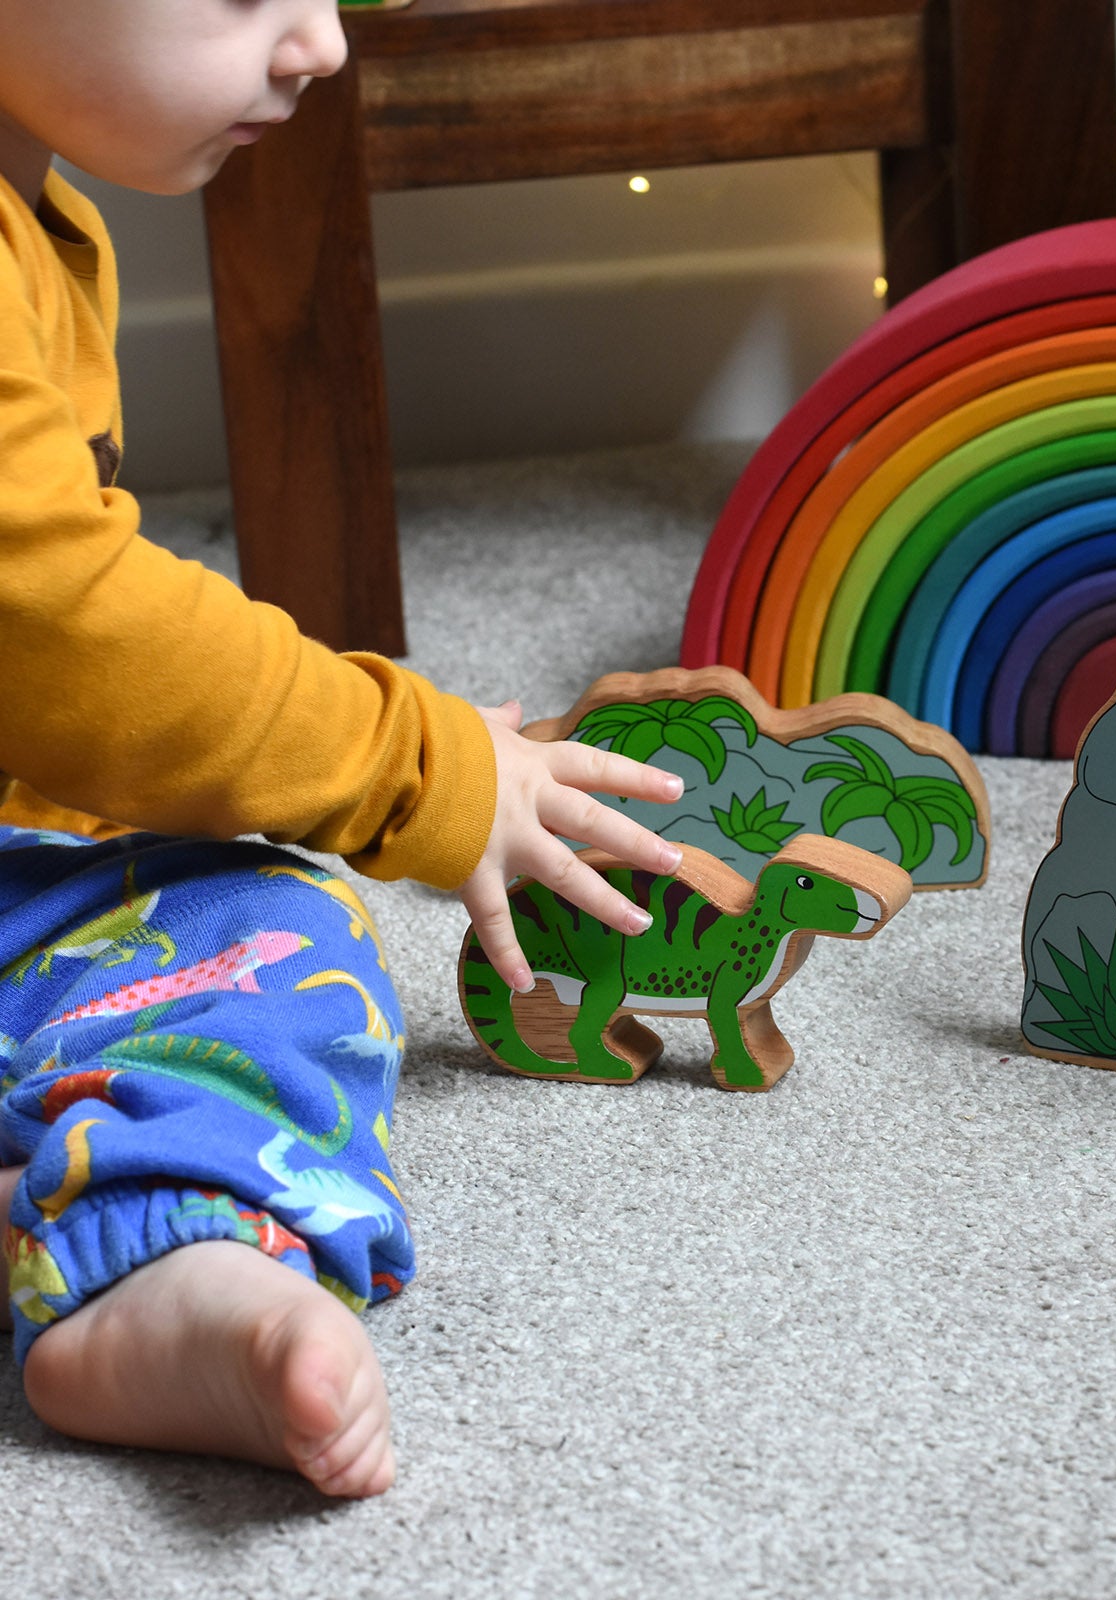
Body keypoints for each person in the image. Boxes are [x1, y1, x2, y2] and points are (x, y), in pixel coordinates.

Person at [0, 0, 684, 1498]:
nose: (320, 44)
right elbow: (68, 634)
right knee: (277, 922)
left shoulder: (44, 228)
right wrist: (411, 764)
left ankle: (165, 1258)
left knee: (253, 922)